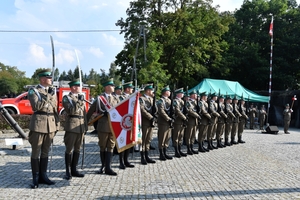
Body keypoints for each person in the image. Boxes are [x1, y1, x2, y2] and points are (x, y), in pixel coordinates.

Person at [27, 68, 60, 189]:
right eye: (48, 77)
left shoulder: (52, 91)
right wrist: (47, 96)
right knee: (36, 151)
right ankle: (35, 177)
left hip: (50, 124)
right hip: (38, 124)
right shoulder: (33, 91)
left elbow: (55, 108)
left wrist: (57, 124)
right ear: (42, 79)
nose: (51, 79)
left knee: (45, 151)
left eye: (51, 77)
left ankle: (43, 176)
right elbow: (36, 107)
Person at [86, 78, 120, 176]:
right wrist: (85, 123)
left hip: (113, 126)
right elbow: (91, 110)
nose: (114, 87)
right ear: (107, 87)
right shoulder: (100, 98)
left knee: (111, 146)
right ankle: (103, 166)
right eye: (112, 86)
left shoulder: (116, 99)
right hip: (103, 125)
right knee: (103, 146)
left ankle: (108, 167)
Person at [62, 78, 87, 180]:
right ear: (73, 87)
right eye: (78, 86)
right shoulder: (67, 98)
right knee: (69, 149)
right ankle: (68, 171)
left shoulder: (81, 98)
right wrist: (79, 102)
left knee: (78, 148)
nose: (79, 88)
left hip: (80, 126)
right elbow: (71, 111)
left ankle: (74, 169)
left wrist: (85, 126)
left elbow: (84, 113)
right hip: (72, 126)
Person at [118, 81, 135, 169]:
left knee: (129, 141)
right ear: (127, 89)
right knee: (122, 142)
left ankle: (126, 160)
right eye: (131, 88)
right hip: (123, 122)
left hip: (131, 122)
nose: (132, 89)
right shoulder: (121, 97)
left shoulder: (132, 97)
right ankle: (121, 161)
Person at [139, 83, 156, 164]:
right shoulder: (141, 99)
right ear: (147, 91)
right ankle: (142, 156)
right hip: (145, 122)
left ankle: (147, 155)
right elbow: (142, 110)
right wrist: (150, 117)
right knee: (143, 139)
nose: (152, 91)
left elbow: (155, 110)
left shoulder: (152, 99)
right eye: (151, 90)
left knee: (148, 139)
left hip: (151, 122)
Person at [157, 86, 173, 161]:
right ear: (166, 92)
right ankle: (161, 154)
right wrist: (168, 118)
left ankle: (165, 152)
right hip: (163, 122)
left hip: (169, 122)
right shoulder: (161, 100)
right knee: (162, 138)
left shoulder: (170, 101)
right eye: (169, 91)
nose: (170, 92)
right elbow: (161, 111)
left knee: (167, 138)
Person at [172, 88, 188, 158]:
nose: (183, 94)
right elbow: (177, 111)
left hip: (182, 121)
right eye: (181, 93)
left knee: (181, 136)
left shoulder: (182, 101)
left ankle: (179, 149)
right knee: (176, 136)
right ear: (178, 94)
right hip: (177, 121)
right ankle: (176, 151)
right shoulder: (175, 101)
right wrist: (184, 117)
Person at [185, 90, 200, 154]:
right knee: (189, 135)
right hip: (190, 121)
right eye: (195, 94)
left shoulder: (196, 102)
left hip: (195, 121)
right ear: (193, 95)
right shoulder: (189, 102)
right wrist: (197, 115)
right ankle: (188, 149)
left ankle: (191, 147)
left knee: (193, 135)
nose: (196, 96)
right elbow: (190, 111)